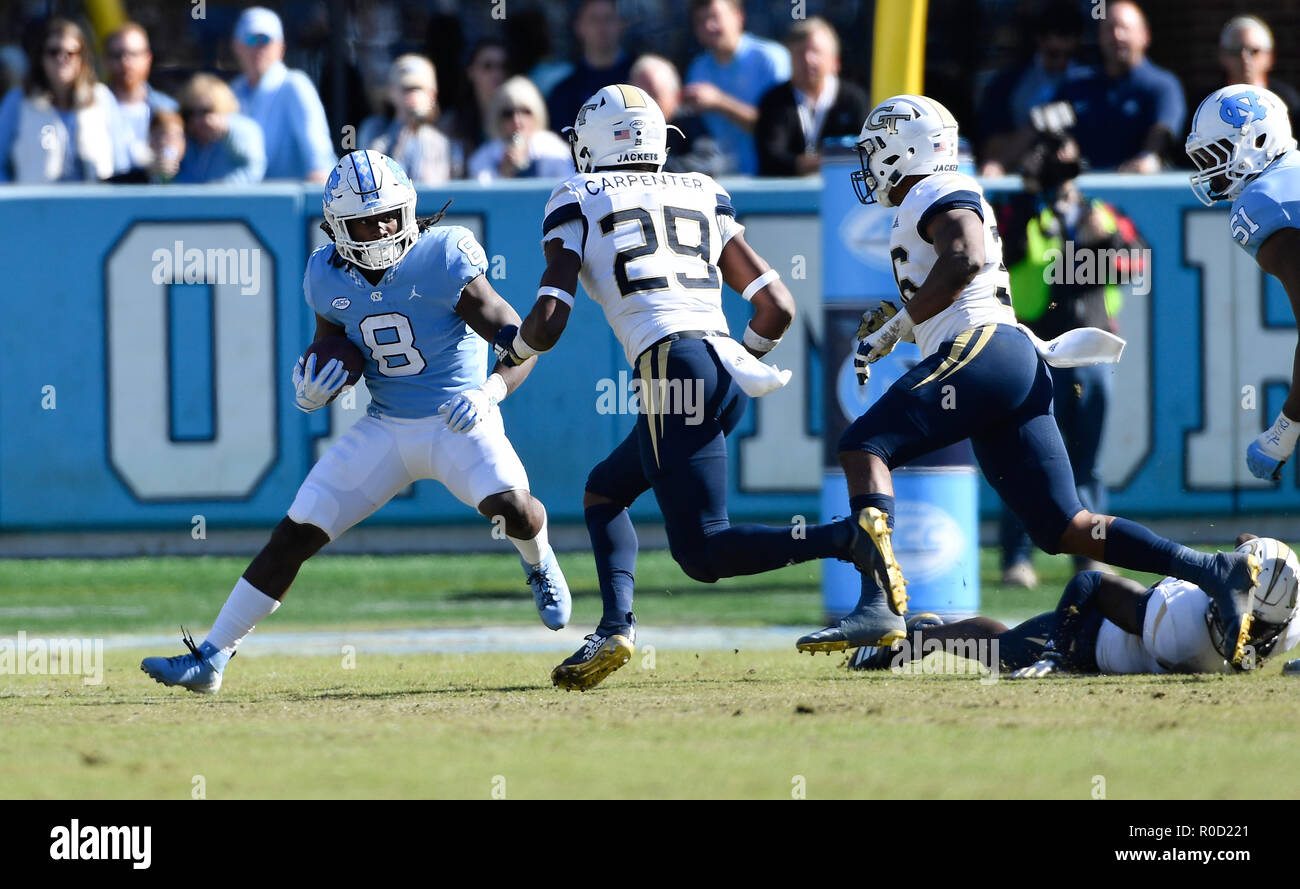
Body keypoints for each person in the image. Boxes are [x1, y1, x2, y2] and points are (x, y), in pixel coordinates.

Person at [795, 93, 1260, 668]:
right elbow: (959, 282)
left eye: (875, 151)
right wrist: (902, 322)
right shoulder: (931, 196)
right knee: (1066, 526)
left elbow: (963, 256)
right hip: (1010, 359)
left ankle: (877, 604)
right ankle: (1208, 568)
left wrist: (897, 326)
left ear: (904, 147)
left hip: (988, 350)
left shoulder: (931, 188)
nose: (869, 166)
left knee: (863, 446)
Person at [141, 150, 571, 694]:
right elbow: (332, 347)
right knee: (296, 531)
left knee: (511, 507)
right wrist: (311, 387)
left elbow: (521, 341)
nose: (383, 227)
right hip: (386, 425)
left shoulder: (445, 254)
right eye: (367, 220)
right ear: (339, 226)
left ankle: (539, 559)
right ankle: (212, 657)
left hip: (457, 417)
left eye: (391, 214)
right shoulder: (324, 273)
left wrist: (490, 391)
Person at [490, 84, 874, 691]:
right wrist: (731, 367)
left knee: (702, 553)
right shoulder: (700, 189)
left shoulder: (576, 195)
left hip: (671, 365)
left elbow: (551, 317)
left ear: (591, 142)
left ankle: (847, 538)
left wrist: (512, 352)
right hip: (721, 363)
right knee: (606, 491)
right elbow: (775, 307)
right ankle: (615, 627)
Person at [995, 134, 1145, 587]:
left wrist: (1108, 239)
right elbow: (1007, 256)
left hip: (1092, 349)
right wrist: (1029, 195)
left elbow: (1136, 264)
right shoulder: (1016, 209)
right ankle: (1016, 558)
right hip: (1036, 347)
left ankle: (1090, 554)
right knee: (1026, 455)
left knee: (1088, 460)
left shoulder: (1100, 212)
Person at [850, 535, 1299, 678]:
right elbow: (1090, 583)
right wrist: (1056, 655)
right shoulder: (1178, 626)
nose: (1246, 635)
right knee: (1004, 652)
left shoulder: (1289, 624)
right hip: (1094, 638)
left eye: (1260, 629)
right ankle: (920, 636)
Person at [1185, 86, 1300, 482]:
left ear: (1258, 141)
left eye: (1215, 155)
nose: (1210, 172)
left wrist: (1282, 433)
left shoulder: (1266, 203)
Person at [1052, 1, 1184, 173]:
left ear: (1145, 35)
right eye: (1109, 28)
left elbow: (1163, 131)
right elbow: (1050, 125)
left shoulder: (1164, 85)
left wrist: (1149, 157)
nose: (1117, 36)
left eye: (1124, 28)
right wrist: (1064, 145)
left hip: (1138, 190)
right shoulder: (1074, 83)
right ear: (1099, 36)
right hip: (1083, 189)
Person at [0, 17, 127, 183]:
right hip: (37, 206)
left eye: (70, 53)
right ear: (41, 58)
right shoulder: (18, 101)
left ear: (82, 58)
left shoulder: (102, 98)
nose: (62, 58)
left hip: (94, 205)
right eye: (54, 52)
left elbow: (121, 163)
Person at [976, 0, 1091, 176]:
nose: (1060, 60)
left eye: (1066, 54)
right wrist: (1035, 128)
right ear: (1039, 39)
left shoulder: (1093, 83)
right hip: (1021, 178)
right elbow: (993, 151)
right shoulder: (1007, 84)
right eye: (1053, 54)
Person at [229, 6, 336, 182]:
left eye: (265, 40)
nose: (258, 48)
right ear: (237, 46)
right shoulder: (232, 92)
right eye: (251, 39)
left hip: (289, 207)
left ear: (281, 47)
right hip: (245, 203)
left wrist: (319, 179)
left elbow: (318, 155)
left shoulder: (296, 85)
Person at [684, 0, 790, 175]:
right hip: (718, 183)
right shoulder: (697, 68)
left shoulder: (771, 59)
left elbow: (781, 128)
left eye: (715, 17)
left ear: (739, 17)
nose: (709, 26)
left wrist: (719, 102)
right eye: (700, 21)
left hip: (770, 182)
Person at [754, 17, 870, 177]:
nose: (808, 60)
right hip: (788, 197)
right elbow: (771, 159)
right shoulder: (774, 101)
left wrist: (805, 163)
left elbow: (864, 153)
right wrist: (827, 161)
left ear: (835, 61)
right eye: (800, 53)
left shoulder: (854, 100)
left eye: (815, 52)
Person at [359, 55, 455, 183]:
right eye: (406, 89)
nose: (412, 95)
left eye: (419, 89)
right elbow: (369, 179)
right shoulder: (374, 131)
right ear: (391, 91)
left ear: (433, 94)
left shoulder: (441, 141)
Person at [545, 0, 632, 138]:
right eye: (594, 19)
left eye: (608, 18)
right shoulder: (564, 92)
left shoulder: (641, 80)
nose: (602, 27)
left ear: (622, 24)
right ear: (579, 26)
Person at [629, 54, 724, 176]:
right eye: (640, 96)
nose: (646, 104)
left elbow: (709, 163)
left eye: (653, 95)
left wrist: (651, 169)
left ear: (676, 96)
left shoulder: (688, 122)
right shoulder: (621, 125)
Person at [467, 76, 572, 183]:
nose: (517, 120)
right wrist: (503, 173)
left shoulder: (554, 150)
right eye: (508, 113)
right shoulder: (483, 157)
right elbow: (482, 194)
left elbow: (569, 188)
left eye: (525, 111)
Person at [104, 22, 177, 170]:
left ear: (148, 58)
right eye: (117, 55)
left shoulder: (169, 108)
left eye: (134, 54)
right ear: (106, 61)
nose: (125, 62)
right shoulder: (93, 108)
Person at [174, 74, 266, 184]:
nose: (196, 120)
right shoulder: (184, 140)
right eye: (189, 113)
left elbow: (254, 166)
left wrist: (228, 129)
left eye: (205, 111)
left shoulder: (244, 129)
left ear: (221, 107)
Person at [1217, 15, 1300, 125]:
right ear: (1222, 56)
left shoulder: (1288, 102)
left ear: (1269, 56)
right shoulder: (1207, 102)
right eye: (1235, 51)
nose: (1245, 59)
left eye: (1254, 51)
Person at [437, 38, 508, 163]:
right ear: (471, 72)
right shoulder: (452, 123)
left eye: (502, 66)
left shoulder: (517, 116)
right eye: (488, 66)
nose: (497, 73)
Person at [108, 109, 186, 183]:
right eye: (162, 135)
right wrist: (151, 174)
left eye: (176, 136)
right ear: (150, 141)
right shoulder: (130, 179)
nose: (170, 141)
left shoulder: (194, 174)